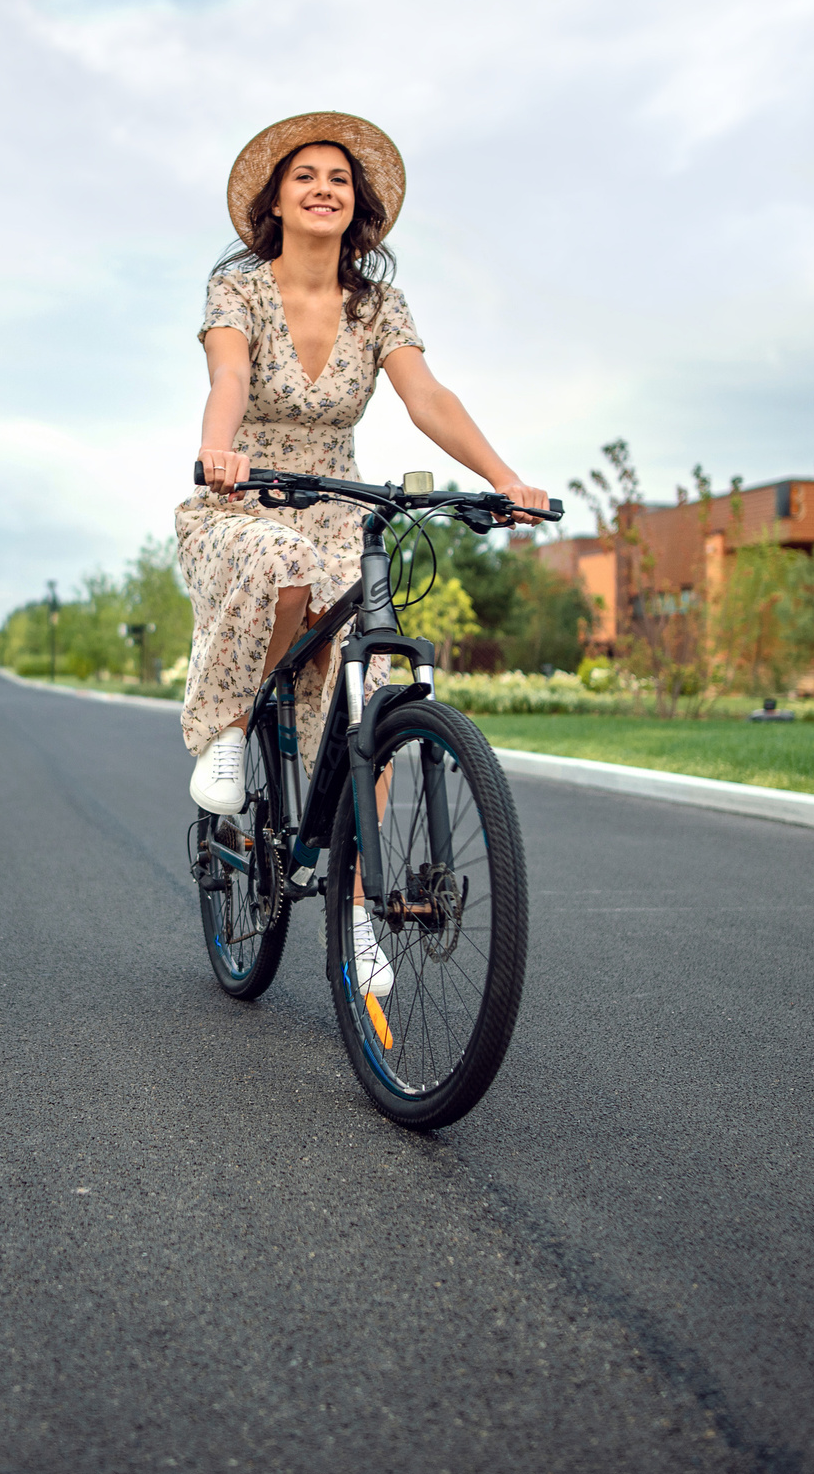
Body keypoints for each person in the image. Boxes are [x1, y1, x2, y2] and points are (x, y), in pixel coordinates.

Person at [176, 112, 549, 994]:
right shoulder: (238, 290)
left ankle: (357, 906)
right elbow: (228, 379)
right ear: (276, 198)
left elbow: (428, 397)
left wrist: (505, 478)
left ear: (358, 204)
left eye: (339, 179)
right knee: (280, 564)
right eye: (305, 175)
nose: (323, 188)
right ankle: (227, 726)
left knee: (370, 684)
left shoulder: (378, 304)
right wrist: (221, 453)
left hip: (342, 505)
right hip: (242, 501)